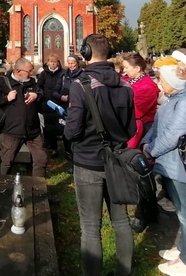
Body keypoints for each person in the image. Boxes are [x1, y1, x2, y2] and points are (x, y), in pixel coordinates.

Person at [64, 34, 135, 276]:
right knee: (122, 222)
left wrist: (69, 132)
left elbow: (72, 130)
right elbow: (132, 128)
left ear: (85, 52)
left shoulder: (80, 84)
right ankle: (124, 272)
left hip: (88, 162)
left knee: (91, 226)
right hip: (117, 161)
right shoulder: (126, 85)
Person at [142, 57, 186, 276]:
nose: (160, 83)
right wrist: (147, 141)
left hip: (182, 166)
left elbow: (173, 134)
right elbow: (159, 126)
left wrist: (150, 150)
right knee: (181, 212)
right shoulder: (173, 99)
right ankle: (181, 248)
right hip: (170, 164)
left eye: (163, 79)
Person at [0, 57, 47, 177]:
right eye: (29, 71)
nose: (31, 73)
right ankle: (3, 187)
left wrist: (37, 95)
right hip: (12, 130)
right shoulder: (4, 82)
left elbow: (42, 93)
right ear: (18, 71)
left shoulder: (33, 82)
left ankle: (38, 189)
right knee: (6, 162)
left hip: (33, 130)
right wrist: (6, 98)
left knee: (41, 160)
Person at [122, 52, 160, 234]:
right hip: (133, 131)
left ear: (137, 69)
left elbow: (135, 111)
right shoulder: (133, 81)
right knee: (137, 175)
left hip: (141, 134)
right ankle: (149, 210)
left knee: (141, 176)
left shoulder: (147, 87)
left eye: (127, 68)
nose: (124, 70)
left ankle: (143, 214)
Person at [38, 54, 65, 154]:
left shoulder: (63, 73)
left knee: (60, 125)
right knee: (48, 127)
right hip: (47, 104)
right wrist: (42, 96)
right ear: (48, 62)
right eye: (51, 61)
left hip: (59, 103)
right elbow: (39, 86)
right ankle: (52, 147)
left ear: (58, 62)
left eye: (55, 62)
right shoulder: (44, 74)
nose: (53, 64)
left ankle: (64, 147)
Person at [59, 55, 84, 159]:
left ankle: (77, 153)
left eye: (73, 63)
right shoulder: (63, 75)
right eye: (69, 63)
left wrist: (70, 98)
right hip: (64, 105)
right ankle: (68, 152)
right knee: (66, 130)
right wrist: (60, 97)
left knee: (76, 128)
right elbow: (55, 90)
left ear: (77, 63)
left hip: (76, 104)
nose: (71, 65)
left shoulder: (82, 75)